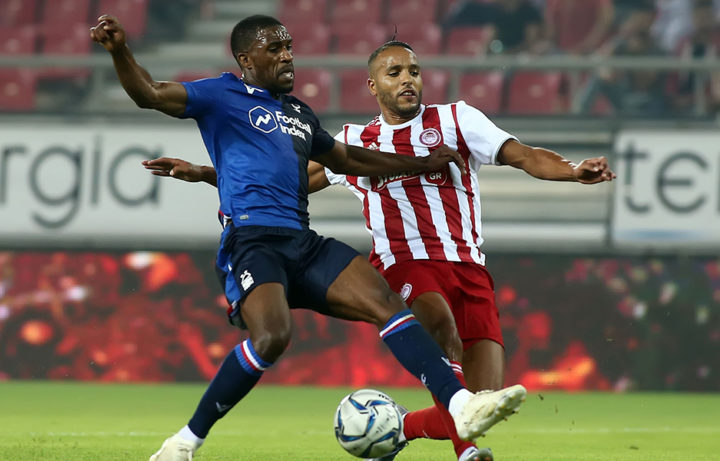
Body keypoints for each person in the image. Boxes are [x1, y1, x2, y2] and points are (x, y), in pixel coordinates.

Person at [143, 39, 616, 461]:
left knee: (484, 399)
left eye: (414, 71)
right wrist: (207, 174)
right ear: (373, 86)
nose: (408, 80)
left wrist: (573, 169)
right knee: (441, 328)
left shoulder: (458, 119)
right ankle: (468, 453)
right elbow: (287, 178)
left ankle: (396, 430)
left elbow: (525, 155)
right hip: (404, 262)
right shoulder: (354, 141)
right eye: (395, 73)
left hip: (470, 268)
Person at [91, 14, 528, 461]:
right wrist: (120, 51)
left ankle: (460, 404)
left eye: (288, 47)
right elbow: (149, 93)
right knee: (272, 338)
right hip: (253, 241)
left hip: (301, 242)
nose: (287, 56)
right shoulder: (220, 94)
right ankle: (185, 442)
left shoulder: (299, 114)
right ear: (246, 59)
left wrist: (418, 164)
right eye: (274, 49)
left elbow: (347, 159)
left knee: (387, 302)